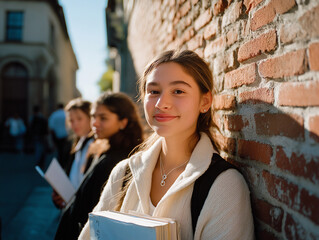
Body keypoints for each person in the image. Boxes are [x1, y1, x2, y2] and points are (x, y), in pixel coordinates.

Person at [78, 50, 254, 240]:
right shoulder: (123, 173)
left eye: (178, 91)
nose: (162, 103)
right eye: (153, 91)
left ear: (205, 101)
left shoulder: (224, 185)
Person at [54, 92, 144, 240]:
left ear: (123, 122)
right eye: (94, 116)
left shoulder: (120, 161)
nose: (94, 123)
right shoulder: (105, 151)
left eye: (103, 118)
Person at [52, 98, 94, 209]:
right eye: (71, 120)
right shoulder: (74, 145)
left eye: (79, 119)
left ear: (91, 118)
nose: (75, 124)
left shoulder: (95, 146)